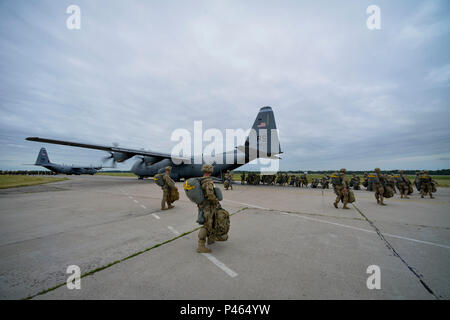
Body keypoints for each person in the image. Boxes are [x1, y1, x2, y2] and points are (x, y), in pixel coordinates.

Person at [197, 164, 226, 253]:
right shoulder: (208, 181)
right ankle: (201, 246)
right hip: (208, 206)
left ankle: (210, 239)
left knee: (211, 222)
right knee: (207, 224)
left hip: (203, 205)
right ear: (210, 171)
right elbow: (210, 194)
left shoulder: (201, 180)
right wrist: (216, 202)